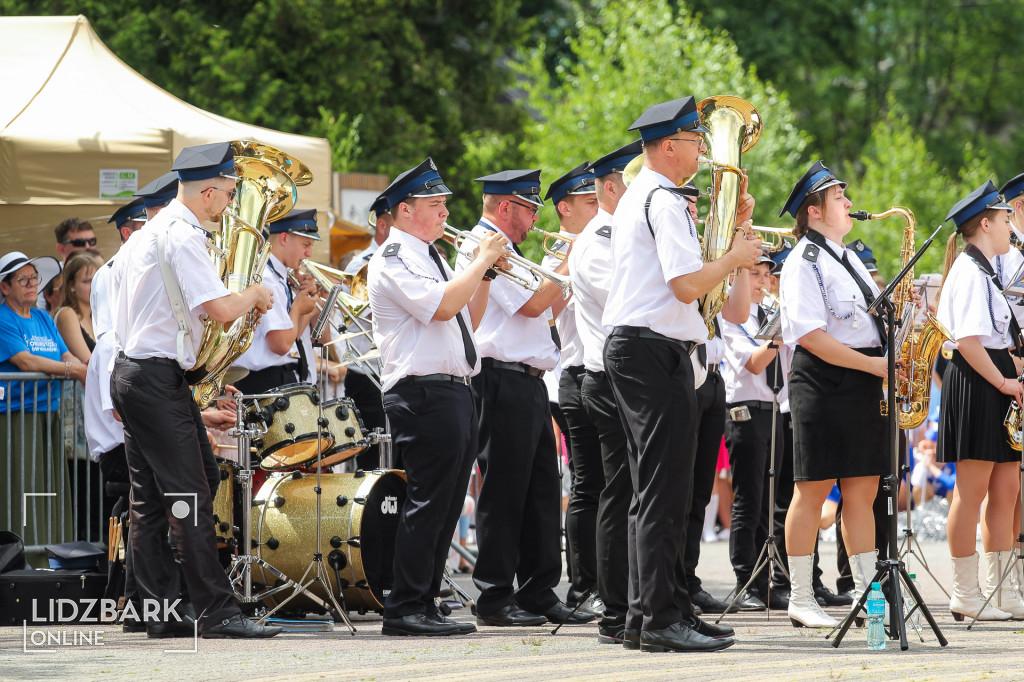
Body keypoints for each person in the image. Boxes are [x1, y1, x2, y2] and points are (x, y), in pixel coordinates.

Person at [602, 95, 760, 653]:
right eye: (696, 141)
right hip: (651, 350)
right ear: (670, 146)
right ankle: (661, 620)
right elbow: (688, 286)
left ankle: (650, 615)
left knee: (655, 492)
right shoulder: (662, 197)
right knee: (663, 491)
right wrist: (738, 256)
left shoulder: (648, 195)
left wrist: (730, 235)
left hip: (644, 349)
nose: (702, 152)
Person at [109, 141, 280, 639]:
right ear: (207, 192)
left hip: (140, 372)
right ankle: (216, 610)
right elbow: (223, 310)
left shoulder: (147, 235)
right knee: (190, 491)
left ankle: (160, 610)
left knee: (155, 497)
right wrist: (254, 293)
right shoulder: (182, 237)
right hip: (153, 375)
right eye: (228, 195)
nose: (230, 204)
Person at [368, 157, 507, 636]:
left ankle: (424, 598)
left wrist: (484, 275)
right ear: (405, 210)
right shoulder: (392, 258)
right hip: (422, 392)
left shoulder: (433, 256)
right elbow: (445, 307)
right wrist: (482, 260)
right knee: (428, 501)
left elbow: (472, 317)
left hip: (455, 389)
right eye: (436, 204)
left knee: (448, 504)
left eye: (445, 203)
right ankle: (404, 606)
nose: (446, 212)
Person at [462, 168, 589, 627]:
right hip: (500, 378)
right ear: (505, 207)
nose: (535, 218)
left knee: (540, 490)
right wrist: (577, 251)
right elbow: (533, 303)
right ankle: (494, 595)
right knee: (504, 491)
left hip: (531, 379)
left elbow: (549, 307)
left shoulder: (512, 250)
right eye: (530, 208)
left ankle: (539, 589)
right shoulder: (483, 246)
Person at [778, 161, 889, 628]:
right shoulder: (804, 259)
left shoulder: (846, 257)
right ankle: (801, 596)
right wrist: (873, 365)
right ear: (815, 210)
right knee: (813, 489)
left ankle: (867, 596)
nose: (848, 203)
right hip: (824, 379)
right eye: (838, 197)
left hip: (862, 377)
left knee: (861, 491)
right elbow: (809, 335)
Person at [936, 180, 1024, 620]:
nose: (1012, 224)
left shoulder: (987, 268)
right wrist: (1006, 382)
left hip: (997, 376)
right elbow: (969, 342)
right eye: (1006, 217)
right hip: (978, 379)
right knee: (970, 492)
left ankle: (1002, 588)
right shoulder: (969, 271)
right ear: (985, 223)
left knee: (1006, 488)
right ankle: (965, 592)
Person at [570, 140, 640, 643]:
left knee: (642, 493)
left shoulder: (627, 233)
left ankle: (645, 600)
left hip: (633, 378)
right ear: (613, 186)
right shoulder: (598, 238)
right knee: (618, 495)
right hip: (609, 379)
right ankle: (616, 611)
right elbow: (629, 301)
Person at [541, 162, 604, 618]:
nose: (598, 208)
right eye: (588, 203)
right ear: (564, 209)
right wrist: (576, 254)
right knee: (588, 484)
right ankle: (583, 586)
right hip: (578, 374)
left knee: (611, 484)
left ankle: (611, 580)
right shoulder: (550, 259)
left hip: (607, 373)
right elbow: (545, 309)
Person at [0, 251, 86, 546]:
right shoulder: (3, 319)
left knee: (51, 487)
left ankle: (54, 551)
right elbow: (26, 363)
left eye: (34, 278)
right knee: (24, 489)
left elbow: (66, 353)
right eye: (22, 279)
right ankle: (26, 554)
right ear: (5, 287)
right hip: (17, 416)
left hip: (50, 412)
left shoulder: (41, 317)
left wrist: (84, 368)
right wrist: (73, 370)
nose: (31, 284)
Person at [721, 254, 785, 609]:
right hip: (745, 410)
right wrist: (780, 334)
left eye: (765, 276)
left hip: (773, 409)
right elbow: (755, 361)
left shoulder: (769, 314)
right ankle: (745, 580)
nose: (761, 282)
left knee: (767, 501)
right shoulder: (731, 317)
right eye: (753, 274)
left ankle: (765, 581)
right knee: (748, 498)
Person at [233, 208, 320, 395]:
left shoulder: (278, 276)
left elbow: (292, 338)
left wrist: (306, 307)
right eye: (306, 244)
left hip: (277, 377)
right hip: (264, 380)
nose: (309, 253)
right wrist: (297, 307)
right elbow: (280, 345)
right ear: (284, 239)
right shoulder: (266, 277)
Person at [53, 248, 104, 539]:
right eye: (87, 280)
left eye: (97, 279)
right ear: (71, 284)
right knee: (83, 486)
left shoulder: (103, 315)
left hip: (102, 408)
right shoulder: (68, 314)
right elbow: (91, 362)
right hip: (80, 412)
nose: (93, 285)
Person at [343, 193, 391, 470]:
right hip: (369, 376)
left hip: (394, 375)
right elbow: (360, 317)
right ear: (383, 226)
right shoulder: (361, 264)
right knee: (374, 465)